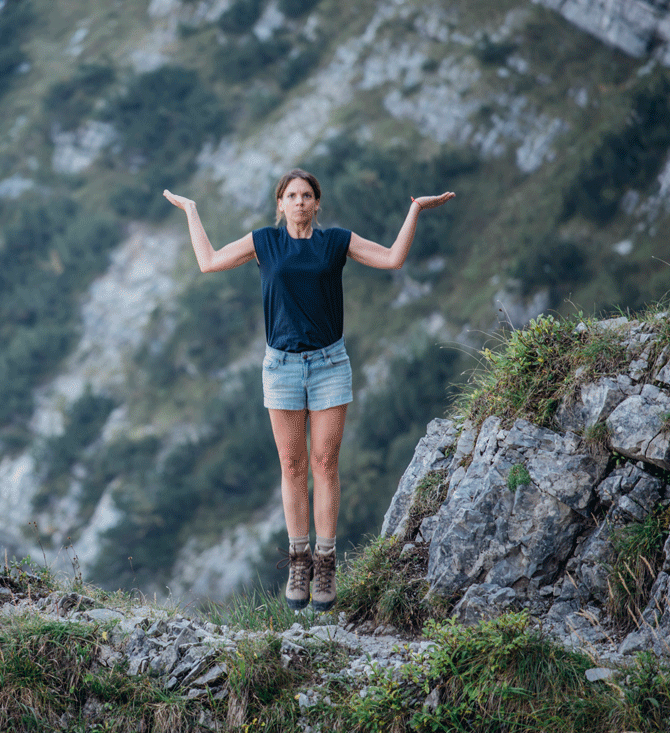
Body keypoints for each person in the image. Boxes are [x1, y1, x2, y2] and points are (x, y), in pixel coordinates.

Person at [163, 169, 454, 611]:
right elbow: (209, 261)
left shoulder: (335, 241)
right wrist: (192, 211)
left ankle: (325, 562)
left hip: (329, 364)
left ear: (317, 203)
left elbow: (393, 258)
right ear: (280, 204)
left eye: (307, 195)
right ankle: (299, 560)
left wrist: (415, 209)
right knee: (293, 465)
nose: (299, 202)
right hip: (280, 366)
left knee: (325, 463)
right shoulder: (265, 242)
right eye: (291, 196)